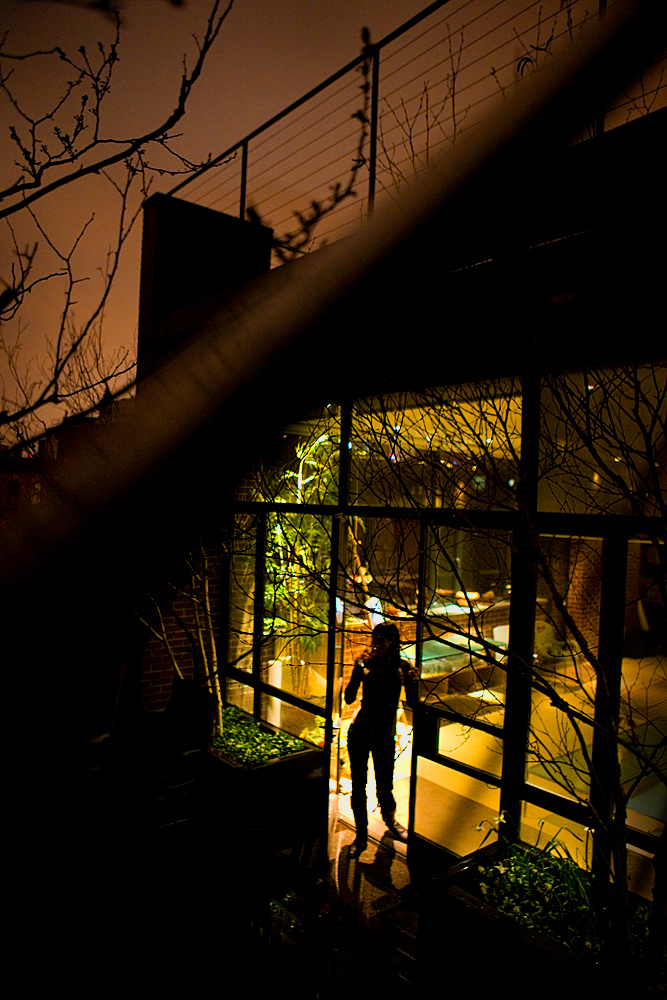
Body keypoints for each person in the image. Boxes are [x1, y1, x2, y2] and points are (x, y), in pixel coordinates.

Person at [344, 622, 419, 858]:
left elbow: (414, 703)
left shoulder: (402, 667)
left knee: (384, 784)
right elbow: (348, 698)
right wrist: (357, 672)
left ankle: (391, 821)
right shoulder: (365, 662)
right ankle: (362, 835)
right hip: (361, 731)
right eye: (375, 639)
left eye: (383, 640)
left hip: (384, 734)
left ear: (393, 643)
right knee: (358, 786)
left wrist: (415, 682)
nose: (378, 644)